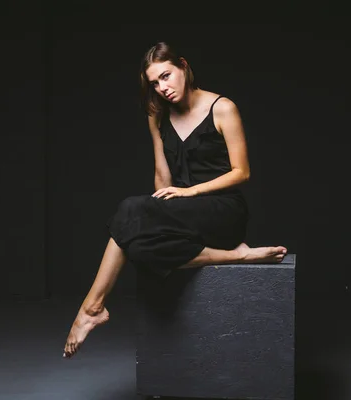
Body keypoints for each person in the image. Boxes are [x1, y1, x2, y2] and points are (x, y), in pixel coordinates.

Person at [63, 42, 287, 359]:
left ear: (183, 66)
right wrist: (159, 208)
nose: (162, 87)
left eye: (166, 76)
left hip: (222, 210)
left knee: (130, 211)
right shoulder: (157, 115)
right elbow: (162, 174)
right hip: (182, 211)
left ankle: (92, 307)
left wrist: (189, 192)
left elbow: (242, 172)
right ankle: (239, 257)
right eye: (154, 83)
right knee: (136, 241)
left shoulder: (222, 108)